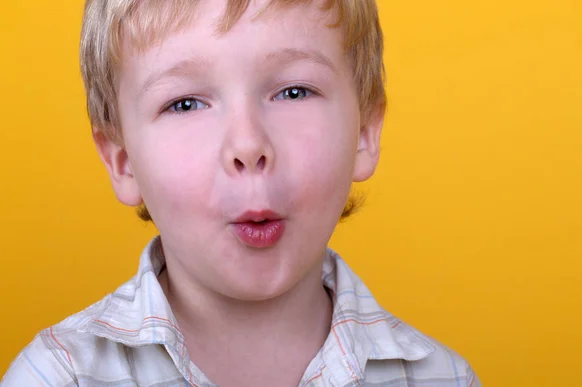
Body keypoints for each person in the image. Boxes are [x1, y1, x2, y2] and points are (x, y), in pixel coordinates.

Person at [1, 0, 481, 386]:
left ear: (364, 133)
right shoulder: (59, 376)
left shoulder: (443, 377)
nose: (248, 145)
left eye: (293, 92)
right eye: (185, 103)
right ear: (122, 160)